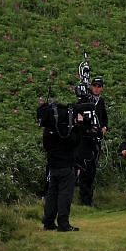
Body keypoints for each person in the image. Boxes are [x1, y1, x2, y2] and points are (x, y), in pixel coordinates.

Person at [37, 97, 84, 232]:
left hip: (52, 164)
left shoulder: (48, 129)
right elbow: (75, 141)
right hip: (65, 164)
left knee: (52, 193)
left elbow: (46, 146)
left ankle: (48, 221)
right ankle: (63, 223)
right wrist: (79, 126)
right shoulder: (64, 129)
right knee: (65, 193)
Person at [74, 74, 110, 207]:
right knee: (85, 168)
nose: (96, 88)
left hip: (96, 139)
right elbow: (78, 118)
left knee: (92, 170)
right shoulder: (84, 100)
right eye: (94, 86)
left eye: (99, 86)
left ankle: (89, 198)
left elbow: (104, 118)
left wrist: (104, 128)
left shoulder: (100, 102)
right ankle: (84, 200)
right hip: (85, 139)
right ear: (90, 87)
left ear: (102, 88)